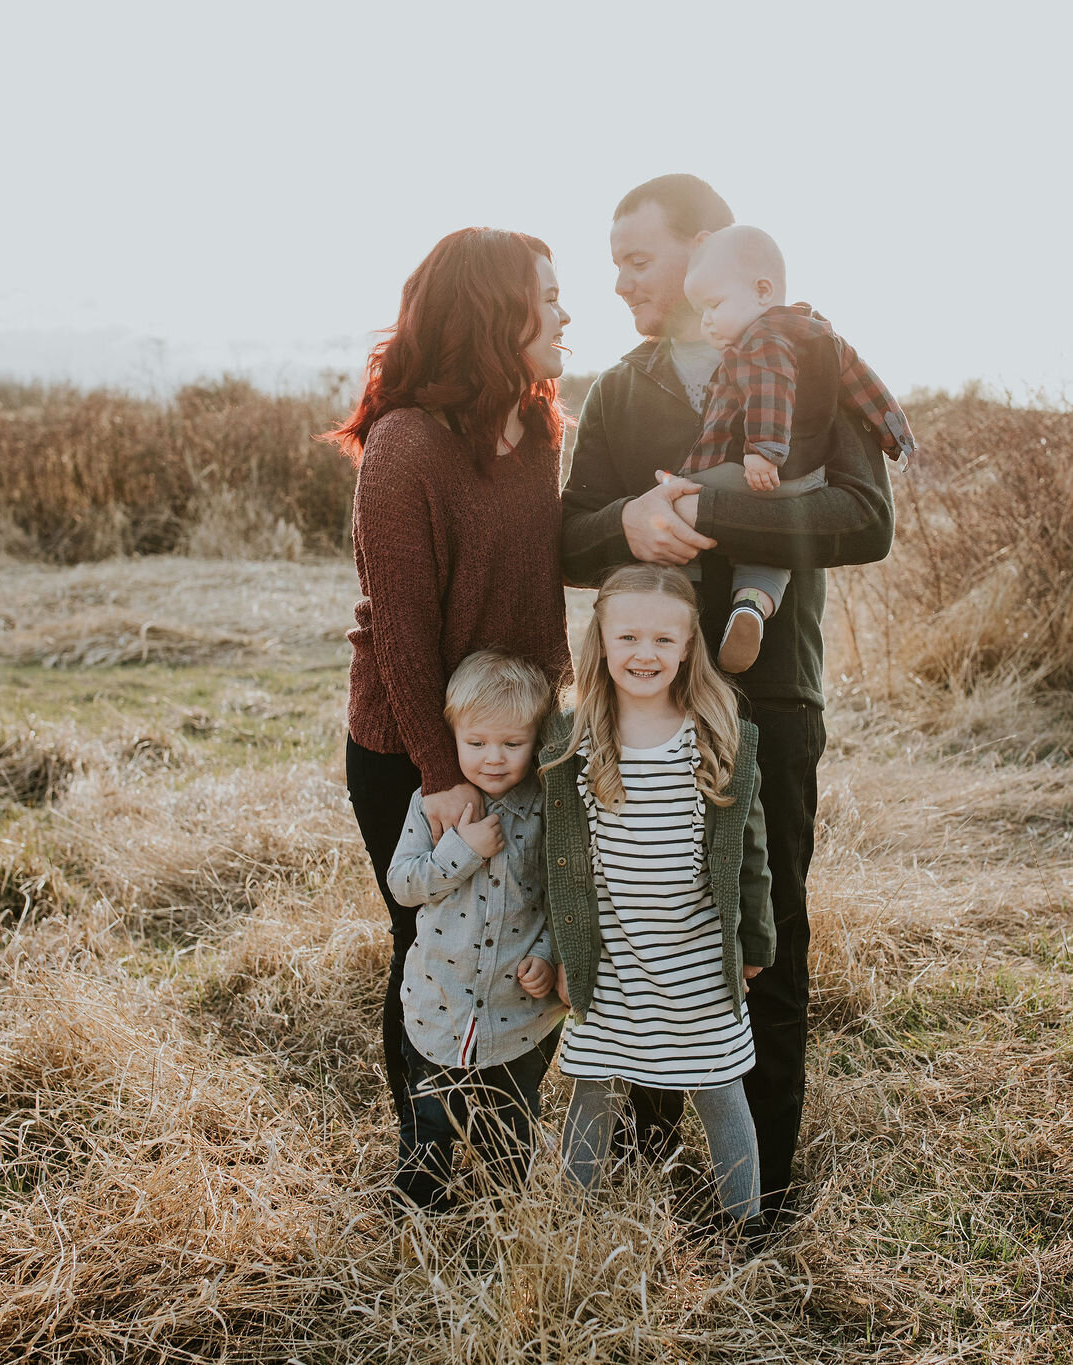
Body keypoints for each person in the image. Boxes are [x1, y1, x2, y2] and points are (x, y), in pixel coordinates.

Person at [560, 174, 896, 1226]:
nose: (618, 280)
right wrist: (630, 524)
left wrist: (702, 510)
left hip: (767, 702)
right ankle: (663, 1173)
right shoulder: (621, 390)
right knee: (649, 927)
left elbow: (862, 520)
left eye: (637, 259)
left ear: (703, 250)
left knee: (763, 936)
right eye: (611, 262)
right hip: (639, 711)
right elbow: (566, 538)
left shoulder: (813, 357)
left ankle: (766, 1196)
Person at [327, 227, 574, 1135]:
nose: (564, 312)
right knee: (428, 940)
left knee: (524, 932)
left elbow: (541, 591)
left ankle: (503, 1133)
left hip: (524, 736)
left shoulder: (542, 426)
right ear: (491, 312)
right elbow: (398, 630)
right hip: (414, 750)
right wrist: (442, 777)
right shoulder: (406, 445)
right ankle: (427, 1158)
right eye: (546, 297)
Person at [538, 563, 773, 1229]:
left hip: (696, 958)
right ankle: (574, 1225)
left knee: (721, 1090)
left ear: (690, 645)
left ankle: (746, 1227)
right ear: (602, 641)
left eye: (665, 641)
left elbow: (750, 858)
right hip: (610, 959)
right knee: (592, 1087)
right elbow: (560, 867)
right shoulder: (574, 740)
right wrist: (564, 953)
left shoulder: (715, 736)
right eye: (629, 638)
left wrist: (754, 945)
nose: (646, 654)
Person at [678, 225, 920, 672]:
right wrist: (897, 440)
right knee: (767, 548)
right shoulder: (822, 335)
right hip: (805, 481)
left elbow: (772, 386)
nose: (706, 321)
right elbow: (867, 389)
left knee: (676, 501)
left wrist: (762, 450)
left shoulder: (761, 337)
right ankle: (751, 604)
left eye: (713, 306)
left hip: (751, 469)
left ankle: (682, 599)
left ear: (762, 291)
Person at [385, 651, 565, 1210]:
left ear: (536, 739)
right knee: (430, 1121)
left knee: (509, 1127)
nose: (493, 759)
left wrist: (548, 954)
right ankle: (418, 1211)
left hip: (517, 1011)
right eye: (477, 742)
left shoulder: (546, 809)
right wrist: (459, 852)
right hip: (438, 1001)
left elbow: (563, 899)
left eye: (512, 744)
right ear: (453, 735)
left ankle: (507, 1219)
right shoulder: (430, 805)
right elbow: (403, 884)